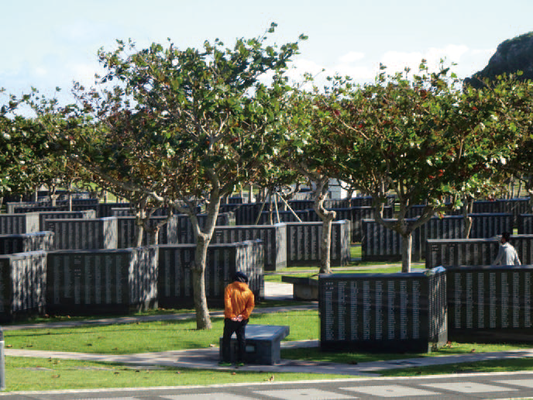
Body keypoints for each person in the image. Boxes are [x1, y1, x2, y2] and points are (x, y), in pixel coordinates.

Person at [219, 271, 255, 367]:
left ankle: (226, 360)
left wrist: (231, 315)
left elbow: (228, 303)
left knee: (226, 339)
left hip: (230, 319)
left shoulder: (229, 288)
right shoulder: (249, 292)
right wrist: (243, 316)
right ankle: (241, 360)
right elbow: (251, 306)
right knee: (241, 339)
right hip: (242, 320)